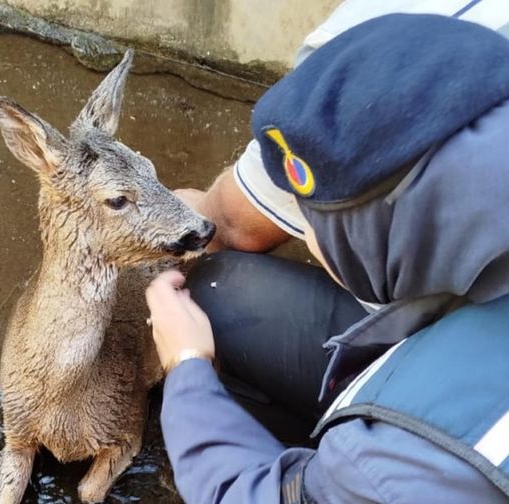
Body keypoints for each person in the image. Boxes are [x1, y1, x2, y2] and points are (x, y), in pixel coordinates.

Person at [145, 11, 509, 504]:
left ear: (390, 235)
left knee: (215, 296)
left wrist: (188, 367)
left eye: (309, 217)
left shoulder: (401, 461)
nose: (302, 232)